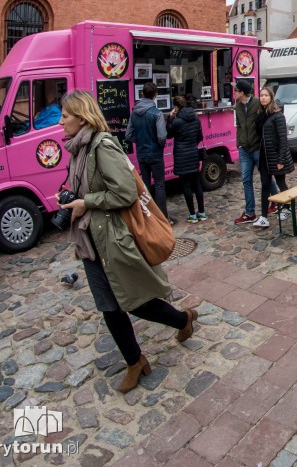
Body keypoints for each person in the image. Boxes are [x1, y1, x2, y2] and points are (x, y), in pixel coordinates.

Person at [58, 90, 196, 393]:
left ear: (81, 117)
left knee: (136, 302)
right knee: (109, 307)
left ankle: (183, 319)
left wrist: (86, 202)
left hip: (113, 239)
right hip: (89, 241)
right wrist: (72, 200)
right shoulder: (77, 149)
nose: (60, 121)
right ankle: (135, 362)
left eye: (65, 115)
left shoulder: (101, 145)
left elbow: (126, 193)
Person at [125, 81, 169, 222]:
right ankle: (162, 216)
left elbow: (128, 135)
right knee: (159, 184)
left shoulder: (134, 113)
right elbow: (162, 136)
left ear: (142, 94)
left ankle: (148, 216)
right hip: (155, 153)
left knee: (145, 185)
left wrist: (140, 142)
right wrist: (158, 144)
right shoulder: (157, 113)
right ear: (155, 95)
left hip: (142, 154)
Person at [254, 86, 295, 228]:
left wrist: (281, 160)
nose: (263, 97)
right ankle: (264, 216)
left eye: (266, 95)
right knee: (265, 185)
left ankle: (287, 207)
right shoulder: (261, 115)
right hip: (264, 157)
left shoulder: (278, 116)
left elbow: (283, 139)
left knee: (281, 182)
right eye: (261, 95)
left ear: (271, 97)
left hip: (276, 156)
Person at [167, 95, 205, 224]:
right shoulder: (195, 118)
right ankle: (202, 213)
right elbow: (200, 137)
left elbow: (168, 135)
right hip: (193, 153)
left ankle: (192, 215)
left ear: (176, 107)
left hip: (182, 156)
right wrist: (191, 144)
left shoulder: (177, 122)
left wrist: (170, 118)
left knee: (186, 186)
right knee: (197, 184)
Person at [233, 79, 263, 224]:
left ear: (243, 93)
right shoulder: (238, 106)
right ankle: (250, 212)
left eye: (236, 91)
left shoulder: (258, 103)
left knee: (266, 178)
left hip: (257, 147)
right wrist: (238, 143)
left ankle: (277, 201)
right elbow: (238, 126)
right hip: (244, 149)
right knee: (246, 180)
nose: (234, 93)